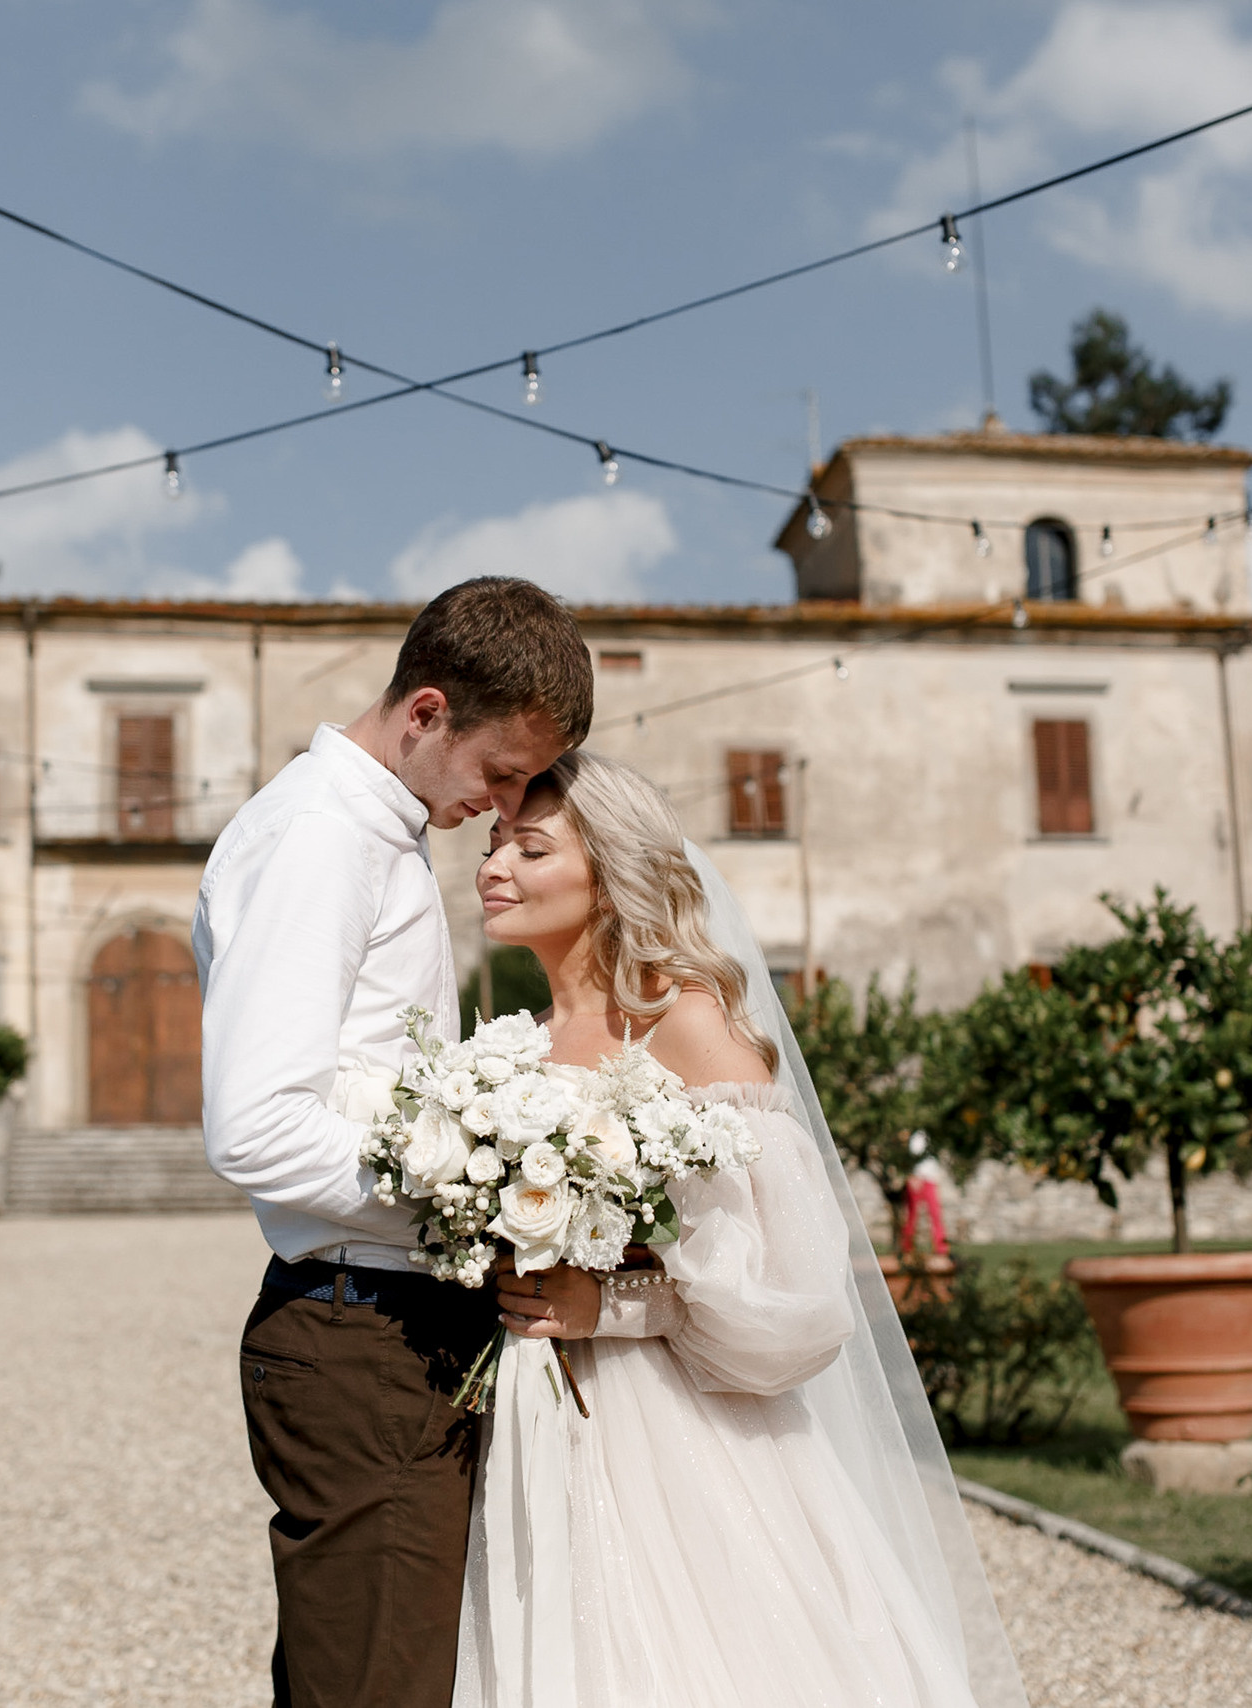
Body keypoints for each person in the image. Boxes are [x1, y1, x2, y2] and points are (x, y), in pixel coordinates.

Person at [456, 751, 1028, 1708]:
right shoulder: (508, 1043)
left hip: (677, 1427)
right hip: (529, 1415)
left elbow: (791, 1282)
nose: (494, 867)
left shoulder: (685, 1019)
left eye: (530, 847)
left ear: (612, 872)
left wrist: (611, 1306)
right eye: (492, 843)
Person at [194, 576, 594, 1708]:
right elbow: (257, 1126)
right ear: (425, 714)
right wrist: (478, 1203)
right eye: (499, 772)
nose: (506, 803)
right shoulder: (324, 837)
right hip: (360, 1335)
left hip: (392, 1329)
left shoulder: (372, 829)